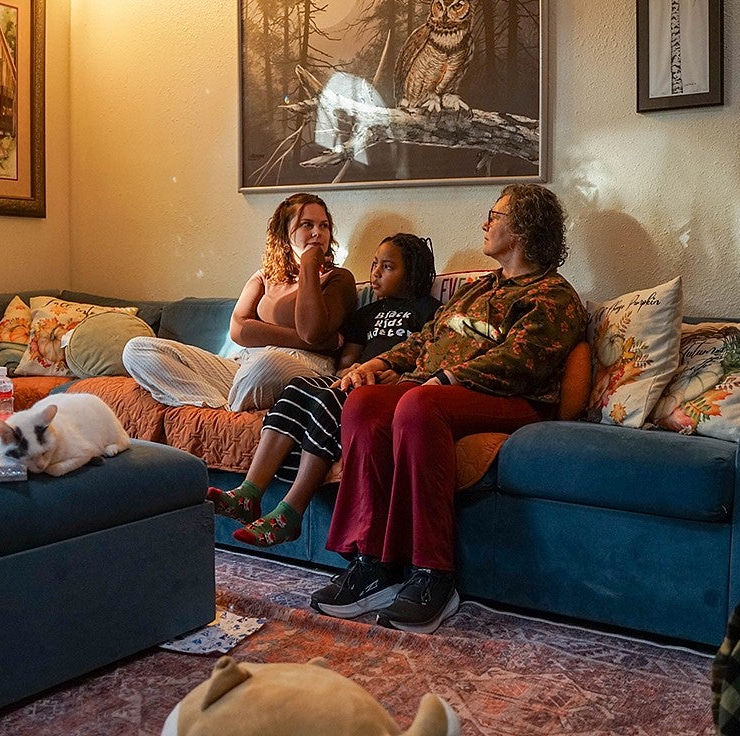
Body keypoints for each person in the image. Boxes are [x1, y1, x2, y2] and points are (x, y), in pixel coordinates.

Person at [310, 183, 587, 634]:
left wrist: (446, 379)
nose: (485, 222)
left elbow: (520, 362)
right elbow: (425, 339)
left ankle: (433, 574)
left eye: (494, 215)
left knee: (420, 405)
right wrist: (379, 362)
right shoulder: (476, 291)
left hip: (510, 401)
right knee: (363, 405)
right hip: (441, 391)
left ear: (522, 229)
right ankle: (373, 563)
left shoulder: (553, 296)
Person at [208, 233, 441, 547]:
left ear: (412, 273)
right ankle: (248, 494)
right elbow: (348, 358)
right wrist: (348, 370)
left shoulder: (430, 311)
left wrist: (399, 376)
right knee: (298, 389)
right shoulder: (366, 314)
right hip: (352, 379)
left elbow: (432, 354)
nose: (375, 273)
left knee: (330, 398)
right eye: (374, 264)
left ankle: (290, 512)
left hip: (385, 387)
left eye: (387, 267)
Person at [122, 193, 358, 412]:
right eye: (307, 224)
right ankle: (218, 409)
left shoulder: (339, 278)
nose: (318, 232)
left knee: (267, 364)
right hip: (244, 364)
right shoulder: (266, 276)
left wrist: (308, 264)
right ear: (285, 235)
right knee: (137, 350)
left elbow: (312, 332)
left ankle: (228, 408)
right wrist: (318, 343)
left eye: (324, 225)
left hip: (298, 367)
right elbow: (239, 329)